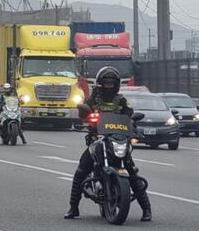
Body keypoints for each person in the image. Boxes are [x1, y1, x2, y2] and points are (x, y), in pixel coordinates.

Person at [64, 67, 151, 222]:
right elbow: (84, 111)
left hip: (118, 140)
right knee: (81, 171)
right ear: (100, 83)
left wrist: (135, 129)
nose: (109, 85)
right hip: (98, 140)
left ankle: (147, 210)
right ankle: (73, 207)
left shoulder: (122, 100)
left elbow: (130, 116)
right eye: (106, 82)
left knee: (132, 171)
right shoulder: (94, 99)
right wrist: (85, 114)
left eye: (112, 83)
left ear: (116, 84)